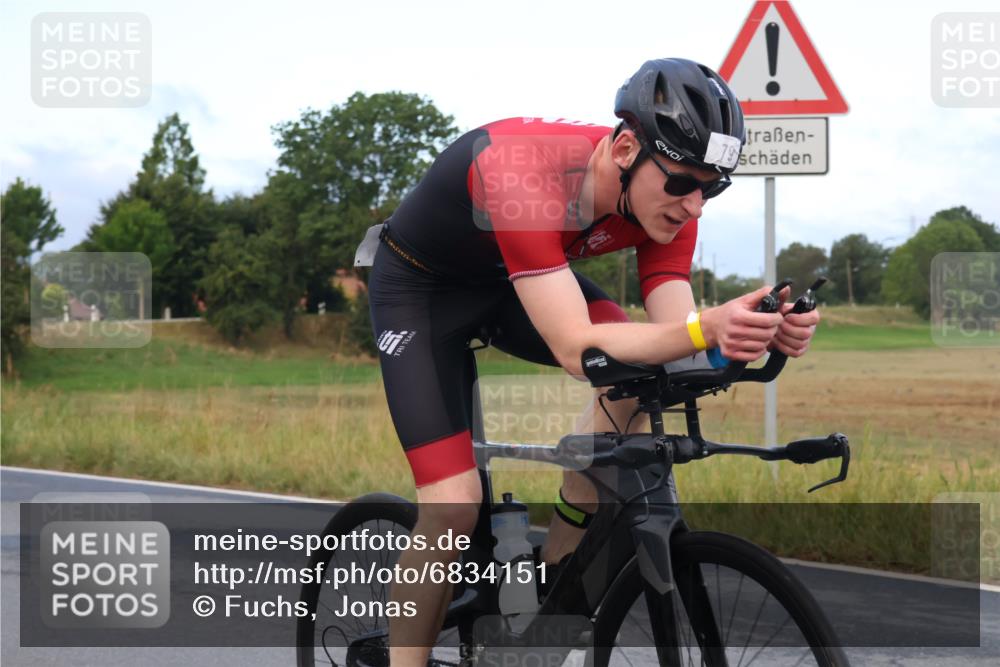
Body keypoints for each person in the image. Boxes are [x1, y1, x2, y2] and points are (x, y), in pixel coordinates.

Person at [365, 58, 820, 666]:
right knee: (453, 503)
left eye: (712, 188)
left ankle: (555, 584)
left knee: (643, 379)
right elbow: (576, 347)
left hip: (516, 280)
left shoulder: (672, 205)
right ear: (626, 148)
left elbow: (676, 341)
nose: (694, 206)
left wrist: (752, 335)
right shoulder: (522, 172)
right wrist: (705, 326)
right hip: (422, 294)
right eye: (683, 184)